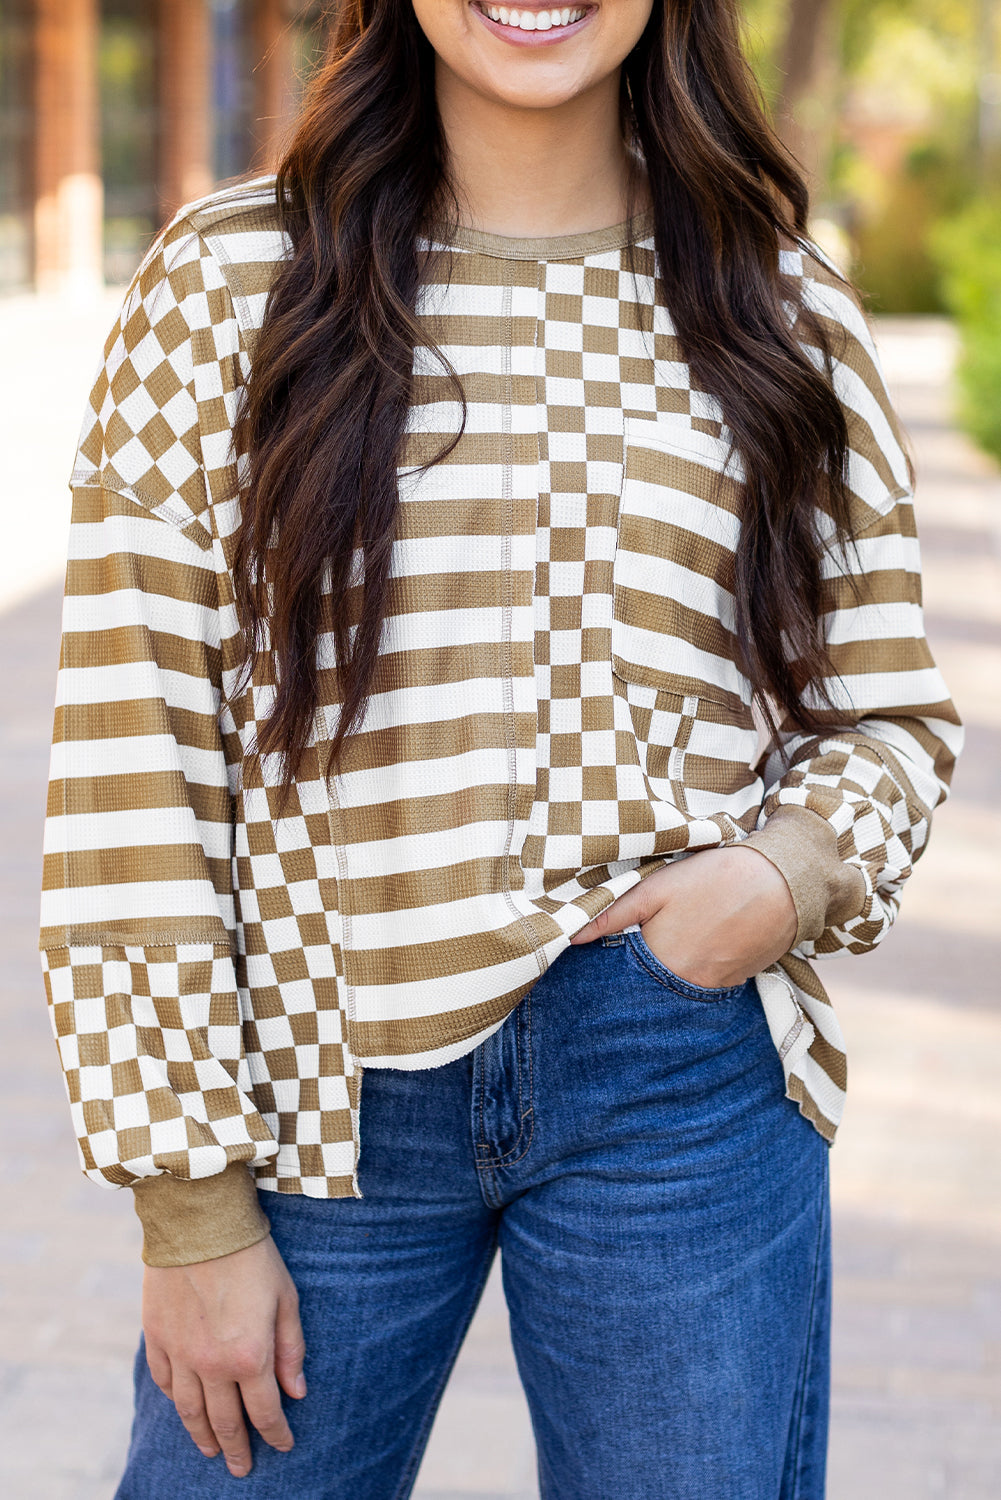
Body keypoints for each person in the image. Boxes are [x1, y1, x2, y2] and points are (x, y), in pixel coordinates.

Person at [40, 0, 962, 1495]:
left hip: (671, 1074)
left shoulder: (779, 307)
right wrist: (188, 1208)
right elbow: (132, 763)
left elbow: (885, 712)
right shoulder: (230, 281)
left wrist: (777, 881)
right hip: (308, 1095)